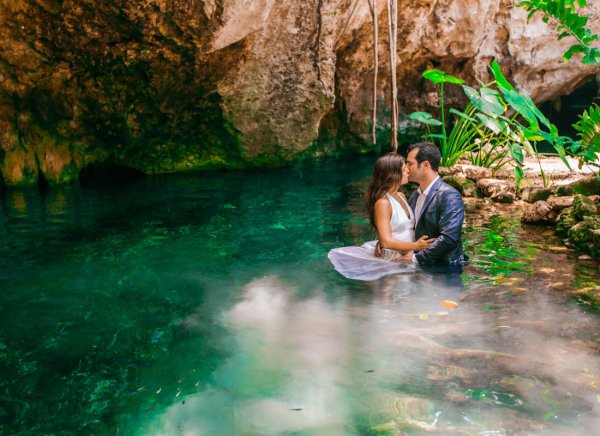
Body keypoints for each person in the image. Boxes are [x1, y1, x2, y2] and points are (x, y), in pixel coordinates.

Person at [328, 153, 434, 280]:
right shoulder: (383, 203)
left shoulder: (401, 195)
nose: (408, 170)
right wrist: (415, 246)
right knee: (394, 293)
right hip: (394, 258)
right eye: (404, 168)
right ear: (392, 174)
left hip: (408, 254)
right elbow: (386, 241)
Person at [403, 142, 467, 267]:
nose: (406, 168)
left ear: (425, 165)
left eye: (410, 163)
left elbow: (449, 239)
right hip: (421, 268)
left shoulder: (449, 195)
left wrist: (415, 259)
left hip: (445, 269)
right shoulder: (414, 196)